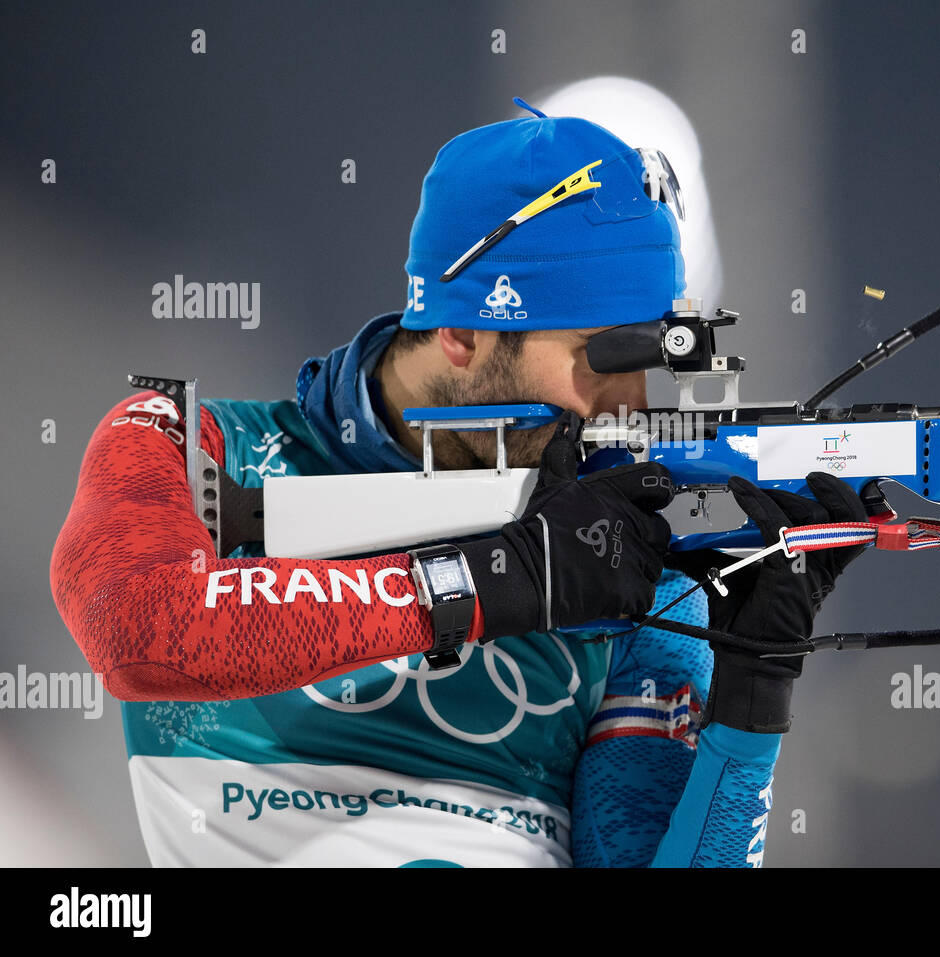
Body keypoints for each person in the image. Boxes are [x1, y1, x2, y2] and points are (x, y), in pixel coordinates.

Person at [49, 99, 867, 867]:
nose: (627, 408)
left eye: (651, 362)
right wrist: (496, 581)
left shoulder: (624, 552)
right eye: (601, 359)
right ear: (461, 333)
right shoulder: (204, 448)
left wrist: (753, 700)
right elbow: (138, 623)